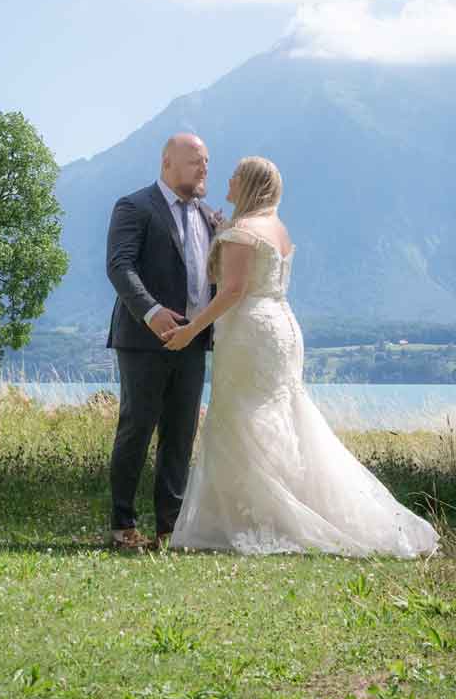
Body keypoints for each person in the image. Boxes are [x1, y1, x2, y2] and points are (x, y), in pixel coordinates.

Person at [164, 156, 439, 558]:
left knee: (241, 415)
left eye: (236, 175)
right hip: (282, 326)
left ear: (250, 184)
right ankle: (285, 507)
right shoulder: (276, 228)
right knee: (279, 412)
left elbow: (232, 290)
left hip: (251, 331)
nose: (229, 178)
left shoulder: (242, 230)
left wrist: (190, 330)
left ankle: (264, 517)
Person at [103, 132, 220, 551]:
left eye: (206, 161)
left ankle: (169, 528)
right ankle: (122, 525)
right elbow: (119, 266)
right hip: (143, 340)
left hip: (192, 342)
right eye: (195, 161)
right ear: (167, 163)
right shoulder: (135, 206)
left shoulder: (209, 217)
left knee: (181, 433)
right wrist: (151, 312)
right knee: (136, 428)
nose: (204, 167)